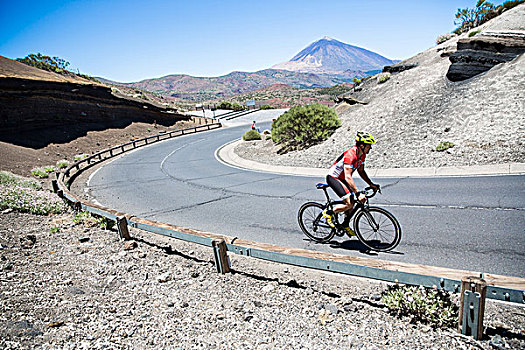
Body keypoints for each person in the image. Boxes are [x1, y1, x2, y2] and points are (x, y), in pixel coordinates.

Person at [322, 131, 380, 236]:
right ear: (362, 145)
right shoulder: (351, 155)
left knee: (352, 202)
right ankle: (328, 213)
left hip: (343, 178)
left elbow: (361, 171)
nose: (370, 148)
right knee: (349, 203)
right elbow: (348, 176)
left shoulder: (362, 155)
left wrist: (371, 184)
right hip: (334, 178)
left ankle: (345, 224)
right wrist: (357, 193)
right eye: (369, 146)